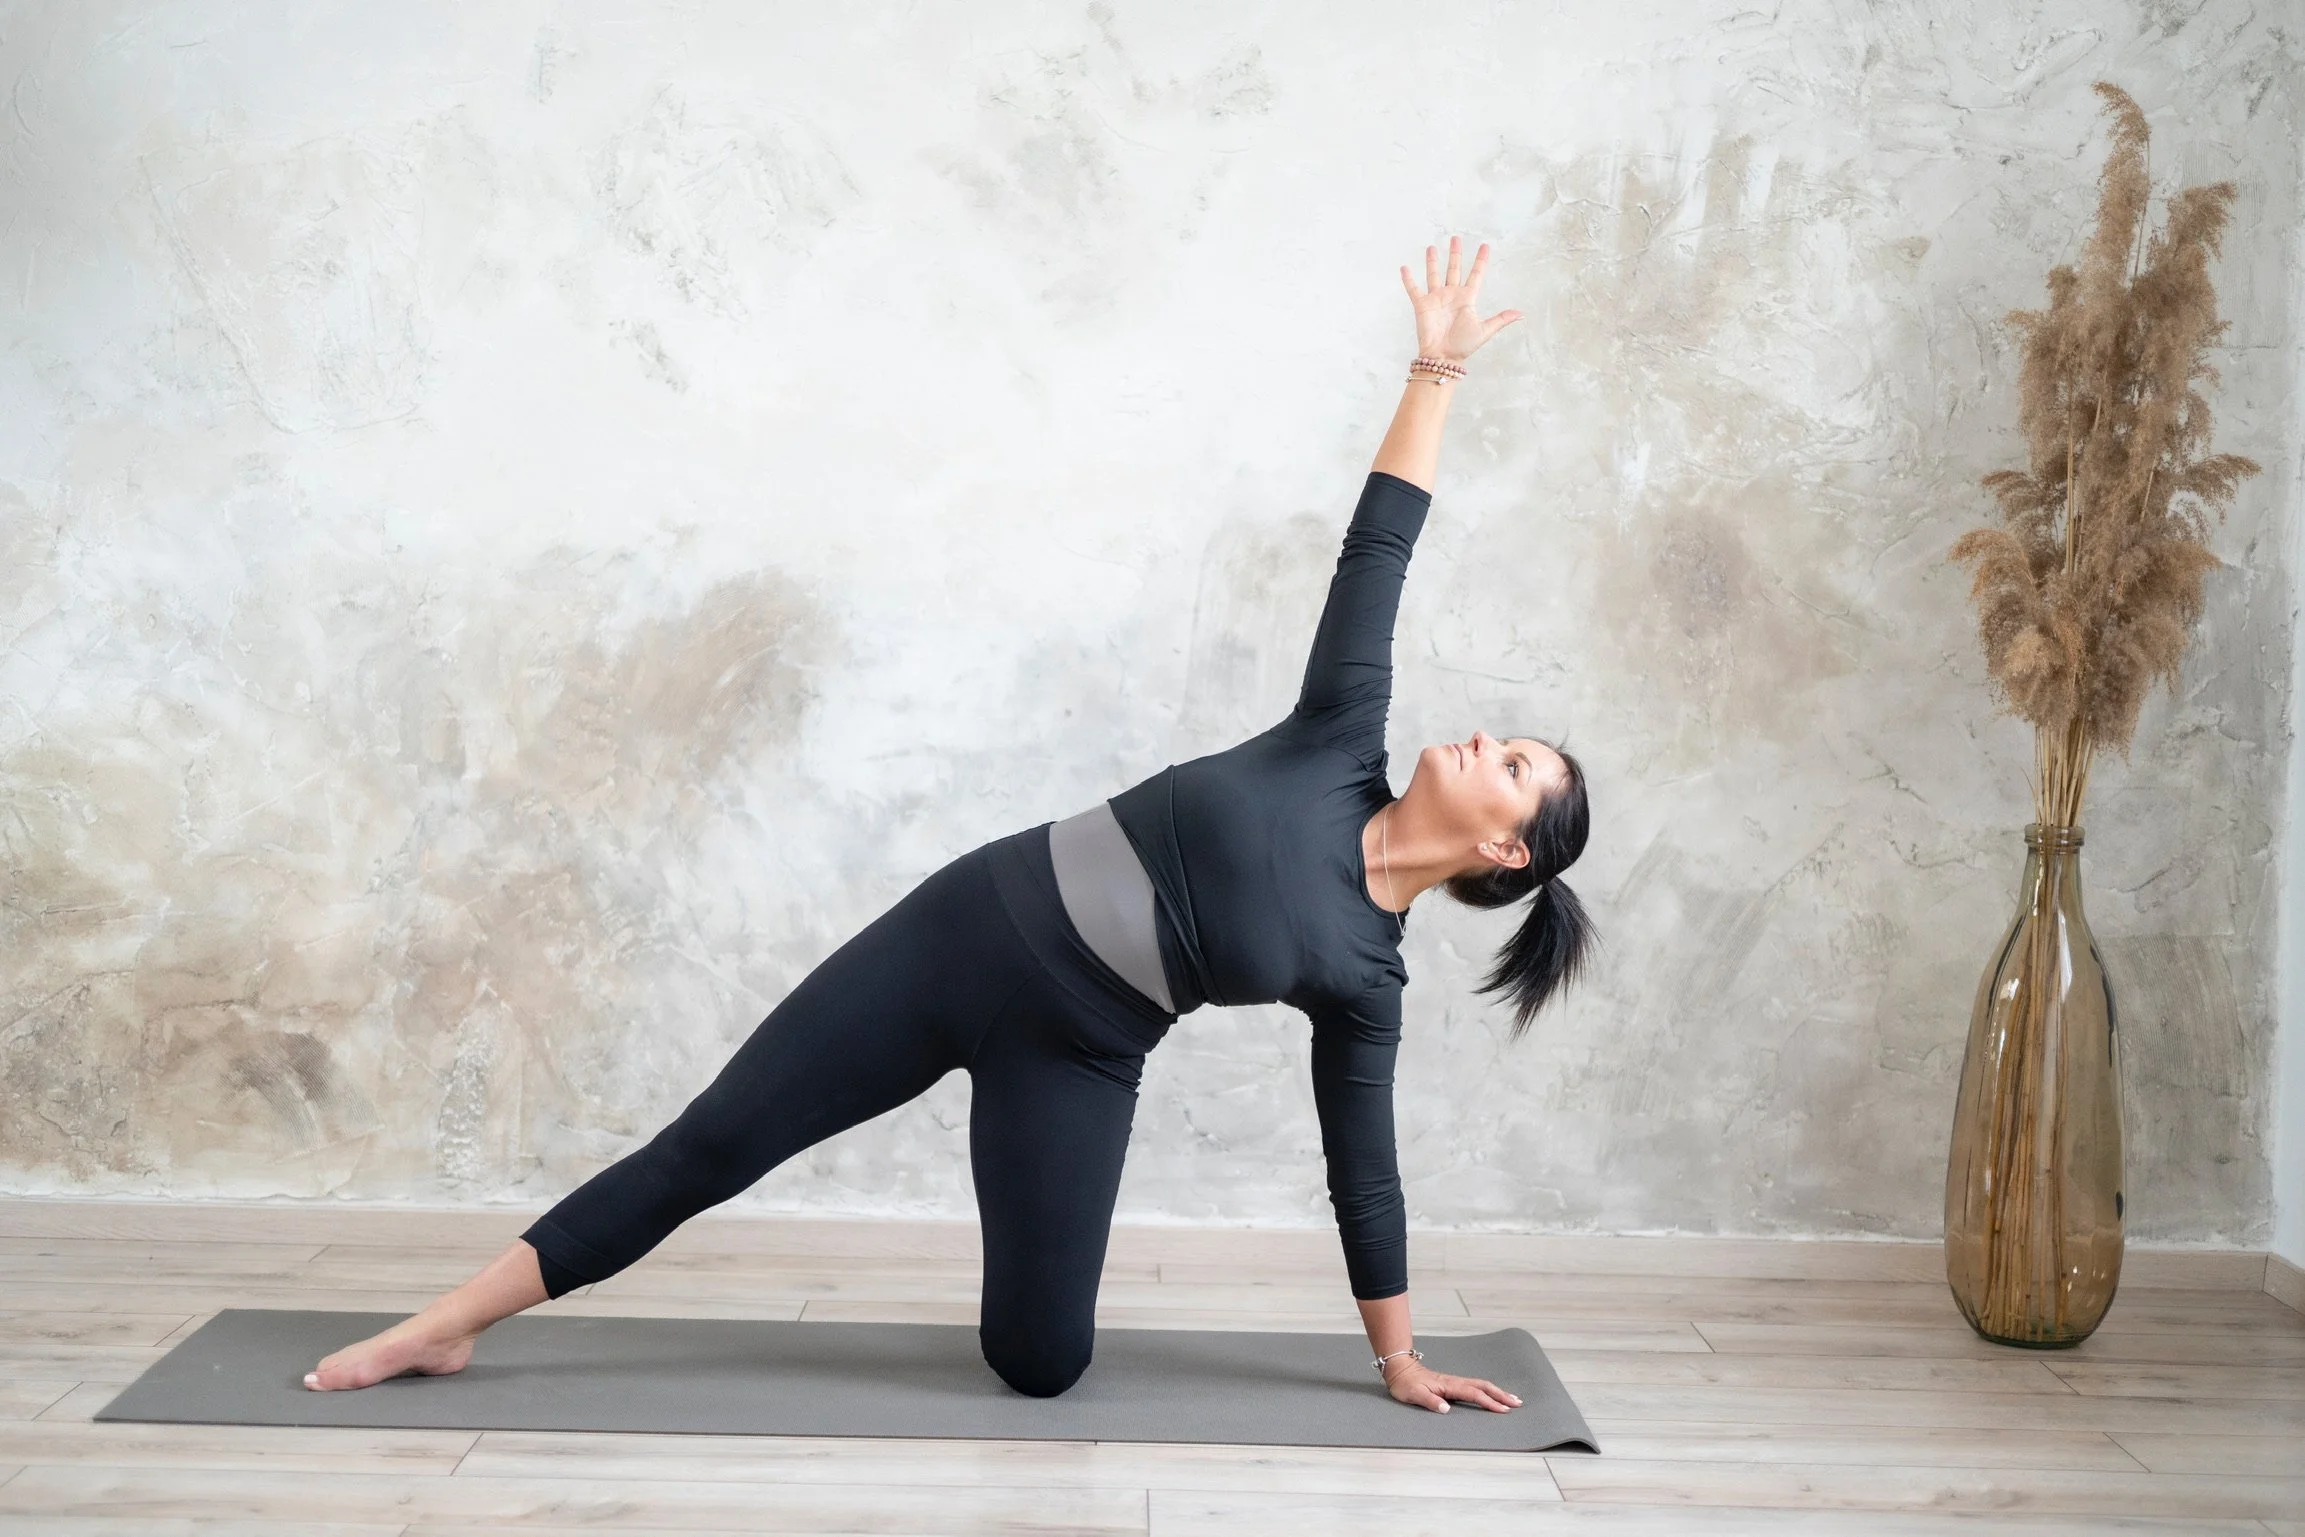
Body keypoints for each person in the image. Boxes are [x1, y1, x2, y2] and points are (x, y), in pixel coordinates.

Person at [305, 235, 1597, 1415]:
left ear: (1506, 852)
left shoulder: (1368, 980)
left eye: (1518, 763)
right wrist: (1435, 367)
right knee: (717, 1144)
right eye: (1510, 735)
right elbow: (1379, 549)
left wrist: (1399, 1358)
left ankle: (1037, 1307)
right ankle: (443, 1325)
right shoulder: (1334, 742)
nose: (1490, 738)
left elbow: (1360, 1174)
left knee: (1042, 1368)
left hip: (1078, 1054)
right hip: (963, 931)